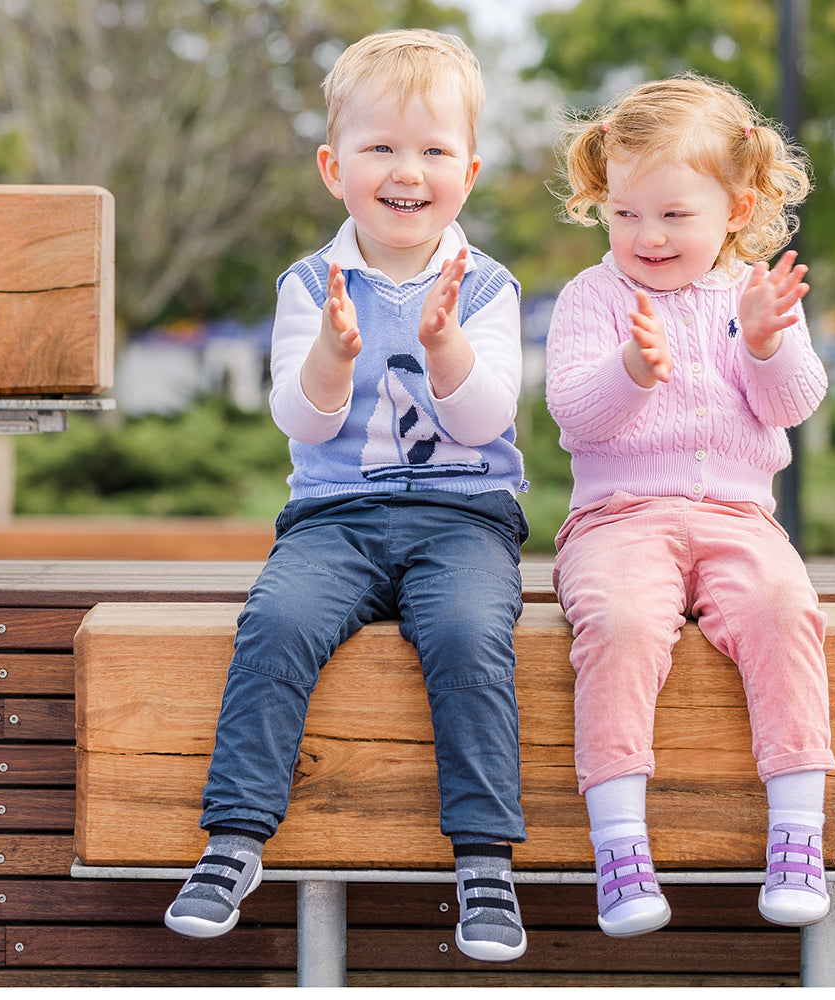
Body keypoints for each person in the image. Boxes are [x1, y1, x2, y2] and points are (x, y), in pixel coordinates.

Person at [164, 28, 529, 963]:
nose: (408, 171)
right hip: (337, 518)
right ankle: (234, 841)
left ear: (470, 171)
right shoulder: (307, 286)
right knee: (277, 623)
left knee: (465, 636)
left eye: (433, 151)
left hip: (465, 519)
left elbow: (488, 417)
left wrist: (446, 347)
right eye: (381, 148)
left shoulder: (487, 288)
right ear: (335, 167)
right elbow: (302, 418)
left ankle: (485, 860)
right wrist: (331, 354)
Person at [545, 73, 835, 938]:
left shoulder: (755, 298)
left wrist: (763, 341)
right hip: (618, 518)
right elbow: (573, 411)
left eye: (674, 215)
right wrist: (630, 373)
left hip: (742, 520)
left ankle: (797, 832)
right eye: (626, 213)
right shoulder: (593, 299)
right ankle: (621, 846)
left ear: (738, 208)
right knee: (625, 622)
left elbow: (795, 403)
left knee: (787, 608)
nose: (648, 235)